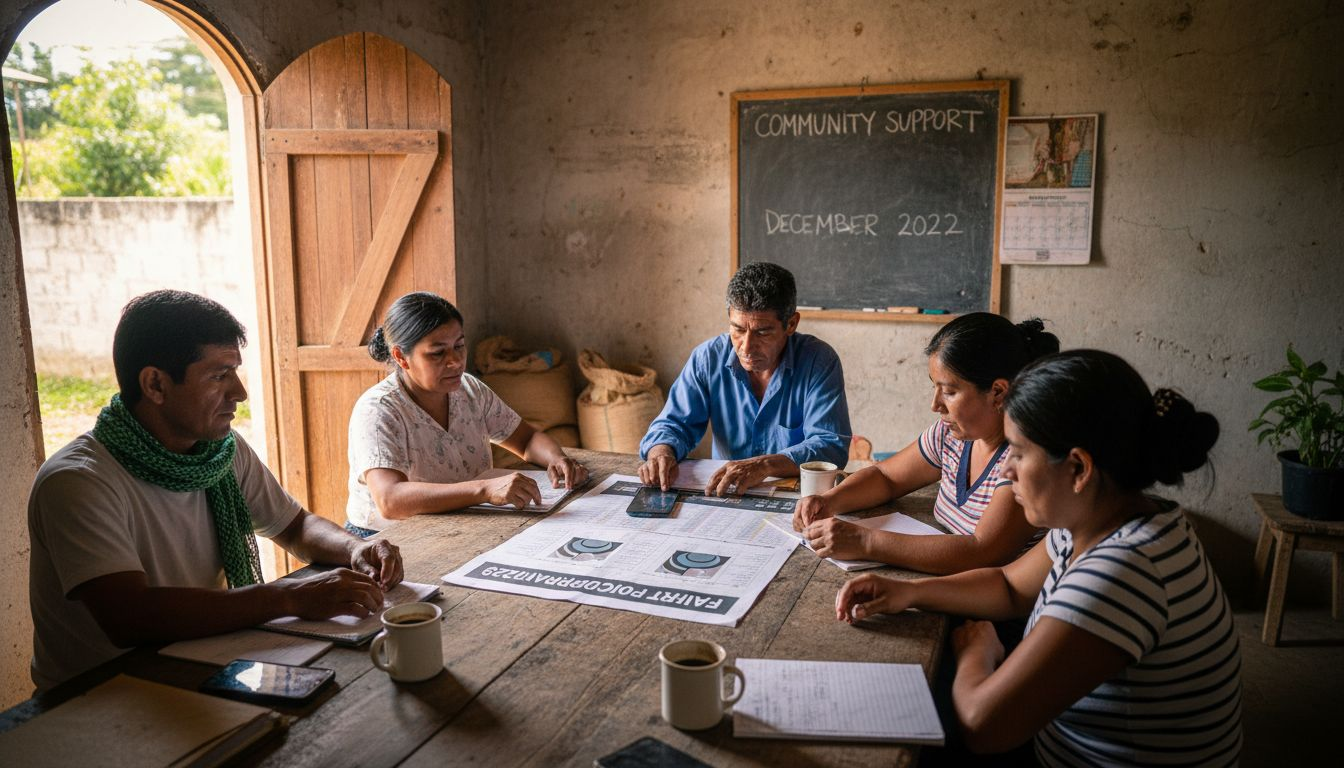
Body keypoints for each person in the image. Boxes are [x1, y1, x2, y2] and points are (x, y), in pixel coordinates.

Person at [835, 350, 1242, 765]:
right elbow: (1009, 586)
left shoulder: (1123, 571)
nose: (1006, 471)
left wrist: (979, 650)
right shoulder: (1111, 517)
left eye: (1017, 452)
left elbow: (982, 725)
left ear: (1079, 469)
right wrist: (909, 592)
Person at [27, 290, 403, 694]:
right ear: (155, 384)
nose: (239, 393)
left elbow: (294, 526)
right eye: (218, 375)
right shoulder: (79, 481)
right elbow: (129, 617)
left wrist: (355, 548)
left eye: (235, 373)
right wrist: (287, 597)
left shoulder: (221, 452)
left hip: (197, 663)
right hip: (98, 697)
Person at [793, 313, 1057, 574]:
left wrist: (865, 541)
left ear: (998, 392)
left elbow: (981, 551)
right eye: (934, 388)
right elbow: (886, 477)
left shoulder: (1023, 459)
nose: (935, 405)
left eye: (950, 392)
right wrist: (828, 501)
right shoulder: (951, 434)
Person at [346, 291, 588, 534]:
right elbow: (390, 500)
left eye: (459, 346)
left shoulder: (469, 390)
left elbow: (527, 440)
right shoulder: (379, 410)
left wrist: (555, 458)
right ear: (401, 357)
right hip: (387, 538)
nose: (455, 361)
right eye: (438, 353)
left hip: (459, 524)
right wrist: (484, 489)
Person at [638, 261, 850, 496]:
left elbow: (831, 445)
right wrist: (661, 452)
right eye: (738, 329)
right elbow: (673, 424)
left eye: (762, 332)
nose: (746, 347)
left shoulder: (818, 362)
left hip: (795, 498)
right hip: (724, 493)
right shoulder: (707, 358)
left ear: (791, 324)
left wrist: (764, 465)